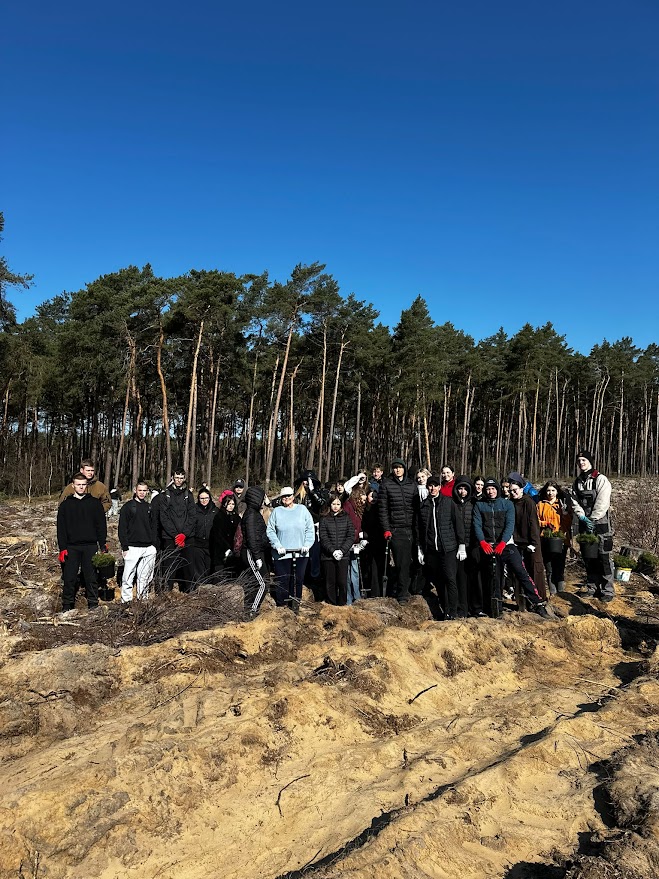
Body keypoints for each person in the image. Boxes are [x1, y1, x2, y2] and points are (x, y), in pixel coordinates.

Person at [473, 478, 549, 619]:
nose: (490, 491)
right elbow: (477, 524)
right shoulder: (479, 505)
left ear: (497, 489)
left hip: (507, 545)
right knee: (495, 578)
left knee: (521, 572)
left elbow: (509, 524)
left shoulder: (507, 504)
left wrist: (503, 542)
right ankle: (496, 608)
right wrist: (482, 542)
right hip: (490, 547)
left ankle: (537, 603)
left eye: (493, 488)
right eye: (488, 489)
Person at [416, 475, 466, 619]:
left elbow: (458, 524)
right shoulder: (424, 505)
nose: (432, 488)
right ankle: (445, 610)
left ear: (439, 487)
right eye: (430, 486)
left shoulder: (448, 503)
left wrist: (461, 545)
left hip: (448, 548)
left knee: (450, 579)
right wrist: (420, 548)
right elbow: (419, 528)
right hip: (432, 550)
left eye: (435, 485)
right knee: (438, 581)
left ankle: (453, 611)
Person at [57, 473, 107, 612]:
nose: (81, 487)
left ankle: (93, 604)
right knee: (69, 577)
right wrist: (62, 548)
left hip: (90, 546)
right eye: (78, 484)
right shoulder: (66, 505)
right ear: (73, 486)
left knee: (91, 577)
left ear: (87, 486)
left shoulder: (95, 504)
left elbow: (101, 525)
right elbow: (61, 528)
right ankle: (67, 605)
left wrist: (102, 544)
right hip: (71, 547)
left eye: (83, 484)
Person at [569, 450, 614, 601]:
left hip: (601, 525)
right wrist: (582, 516)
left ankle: (607, 591)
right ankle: (592, 587)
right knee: (589, 557)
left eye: (584, 460)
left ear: (590, 461)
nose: (581, 463)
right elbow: (574, 500)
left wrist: (592, 519)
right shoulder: (577, 482)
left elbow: (603, 502)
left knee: (604, 557)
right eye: (579, 460)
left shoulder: (601, 479)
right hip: (584, 524)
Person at [266, 486, 315, 608]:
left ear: (293, 497)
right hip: (282, 553)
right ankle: (282, 605)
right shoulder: (277, 512)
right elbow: (270, 531)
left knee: (298, 579)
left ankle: (295, 604)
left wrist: (307, 544)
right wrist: (277, 545)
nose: (286, 498)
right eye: (284, 496)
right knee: (283, 580)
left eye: (288, 496)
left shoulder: (302, 510)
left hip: (300, 553)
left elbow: (310, 529)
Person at [378, 458, 415, 604]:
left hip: (411, 528)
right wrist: (386, 529)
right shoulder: (386, 484)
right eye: (395, 467)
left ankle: (411, 589)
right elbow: (383, 509)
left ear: (404, 469)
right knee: (401, 563)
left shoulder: (411, 484)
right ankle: (402, 594)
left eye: (400, 467)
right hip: (396, 529)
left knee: (412, 563)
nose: (397, 470)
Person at [507, 472, 547, 601]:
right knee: (519, 572)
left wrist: (534, 543)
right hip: (516, 542)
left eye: (515, 490)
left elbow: (533, 524)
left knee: (535, 570)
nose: (513, 493)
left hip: (530, 542)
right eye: (511, 491)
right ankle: (521, 601)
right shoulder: (510, 503)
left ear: (521, 489)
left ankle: (540, 600)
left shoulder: (528, 502)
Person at [118, 480, 157, 603]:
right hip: (132, 547)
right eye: (140, 490)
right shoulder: (128, 507)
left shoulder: (149, 507)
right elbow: (122, 528)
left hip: (148, 547)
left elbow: (154, 527)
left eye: (144, 490)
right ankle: (126, 601)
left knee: (145, 577)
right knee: (128, 576)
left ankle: (142, 600)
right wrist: (125, 547)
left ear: (147, 491)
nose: (142, 493)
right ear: (135, 490)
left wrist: (154, 545)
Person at [452, 475, 486, 617]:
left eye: (465, 489)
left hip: (473, 545)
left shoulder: (474, 503)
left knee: (475, 578)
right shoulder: (452, 503)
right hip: (457, 546)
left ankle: (477, 607)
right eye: (460, 488)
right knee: (460, 578)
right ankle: (462, 608)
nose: (462, 492)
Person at [158, 469, 195, 592]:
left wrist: (184, 534)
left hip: (187, 536)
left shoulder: (188, 495)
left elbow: (192, 515)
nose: (179, 480)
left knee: (188, 566)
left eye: (181, 478)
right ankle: (167, 591)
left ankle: (189, 591)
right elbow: (164, 517)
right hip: (170, 537)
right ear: (172, 478)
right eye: (177, 477)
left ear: (184, 479)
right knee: (169, 565)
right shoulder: (165, 495)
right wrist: (175, 535)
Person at [537, 481, 573, 594]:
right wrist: (545, 524)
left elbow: (568, 524)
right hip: (546, 539)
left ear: (557, 492)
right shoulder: (540, 505)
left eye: (553, 490)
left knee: (560, 566)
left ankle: (561, 591)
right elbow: (536, 521)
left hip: (560, 539)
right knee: (549, 567)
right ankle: (552, 591)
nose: (550, 493)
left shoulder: (562, 505)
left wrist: (565, 514)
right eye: (548, 490)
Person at [319, 493, 353, 605]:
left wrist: (342, 551)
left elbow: (350, 536)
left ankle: (342, 604)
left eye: (338, 504)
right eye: (333, 504)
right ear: (330, 504)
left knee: (342, 582)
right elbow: (323, 537)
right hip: (328, 556)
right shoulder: (324, 519)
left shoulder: (347, 518)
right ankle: (331, 604)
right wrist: (332, 551)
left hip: (343, 556)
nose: (335, 506)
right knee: (330, 582)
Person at [241, 486, 271, 614]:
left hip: (257, 552)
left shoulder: (255, 513)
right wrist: (257, 557)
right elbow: (252, 538)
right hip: (252, 553)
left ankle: (249, 609)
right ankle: (252, 611)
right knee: (263, 584)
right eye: (263, 497)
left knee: (256, 583)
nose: (264, 500)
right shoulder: (251, 516)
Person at [343, 483, 368, 604]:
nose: (363, 502)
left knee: (355, 572)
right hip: (347, 544)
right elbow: (347, 526)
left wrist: (362, 536)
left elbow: (359, 526)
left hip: (356, 544)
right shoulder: (348, 506)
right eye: (361, 500)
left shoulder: (359, 510)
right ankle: (349, 599)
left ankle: (357, 597)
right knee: (348, 573)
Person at [191, 488, 217, 586]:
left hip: (210, 544)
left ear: (209, 498)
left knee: (208, 567)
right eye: (202, 498)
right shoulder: (194, 510)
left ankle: (208, 587)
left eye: (206, 498)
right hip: (197, 544)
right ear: (198, 499)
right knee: (198, 568)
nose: (204, 500)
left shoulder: (215, 510)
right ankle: (199, 587)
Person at [361, 487, 385, 597]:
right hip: (368, 542)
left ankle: (380, 591)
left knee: (379, 567)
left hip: (380, 542)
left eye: (376, 496)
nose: (374, 498)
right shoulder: (365, 511)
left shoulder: (381, 510)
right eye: (371, 496)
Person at [210, 491, 241, 575]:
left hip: (233, 550)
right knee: (220, 573)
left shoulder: (236, 517)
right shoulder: (219, 516)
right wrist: (226, 548)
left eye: (232, 504)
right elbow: (218, 535)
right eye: (229, 504)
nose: (231, 506)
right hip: (221, 549)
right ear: (224, 504)